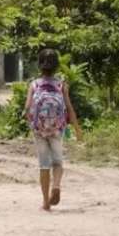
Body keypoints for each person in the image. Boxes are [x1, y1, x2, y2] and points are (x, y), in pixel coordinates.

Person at [24, 48, 82, 212]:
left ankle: (45, 202)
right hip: (57, 128)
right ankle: (56, 185)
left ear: (39, 66)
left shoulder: (34, 85)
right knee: (57, 161)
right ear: (57, 66)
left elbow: (28, 108)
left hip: (40, 129)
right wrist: (77, 128)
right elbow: (69, 108)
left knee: (44, 165)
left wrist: (32, 123)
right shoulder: (61, 85)